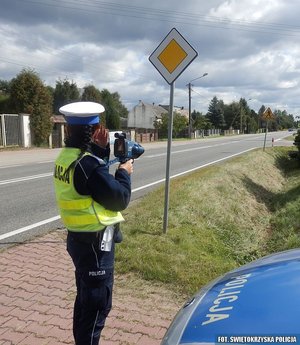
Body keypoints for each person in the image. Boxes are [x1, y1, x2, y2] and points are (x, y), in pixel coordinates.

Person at [53, 101, 133, 345]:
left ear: (68, 131)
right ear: (97, 130)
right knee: (97, 306)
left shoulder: (67, 158)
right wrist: (124, 173)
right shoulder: (87, 165)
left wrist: (98, 152)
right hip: (96, 245)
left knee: (85, 302)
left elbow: (88, 182)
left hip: (79, 240)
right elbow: (119, 199)